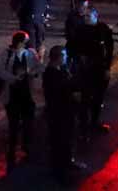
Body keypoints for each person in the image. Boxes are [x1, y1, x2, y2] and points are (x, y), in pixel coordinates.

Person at [68, 0, 115, 137]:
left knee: (98, 97)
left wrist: (107, 67)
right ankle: (84, 125)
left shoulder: (103, 30)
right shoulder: (80, 30)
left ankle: (94, 121)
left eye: (89, 16)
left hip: (99, 68)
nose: (86, 19)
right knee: (85, 97)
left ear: (95, 16)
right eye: (85, 16)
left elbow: (109, 50)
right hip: (84, 69)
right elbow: (72, 47)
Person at [0, 30, 41, 166]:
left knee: (29, 121)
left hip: (27, 94)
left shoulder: (30, 54)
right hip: (12, 95)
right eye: (25, 41)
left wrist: (30, 73)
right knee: (14, 124)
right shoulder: (6, 54)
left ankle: (26, 146)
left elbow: (38, 68)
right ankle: (12, 149)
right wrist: (14, 78)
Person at [42, 45, 80, 178]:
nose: (67, 58)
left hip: (67, 112)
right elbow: (58, 94)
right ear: (59, 57)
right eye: (65, 56)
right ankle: (59, 170)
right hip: (58, 114)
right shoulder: (51, 74)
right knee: (59, 141)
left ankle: (68, 161)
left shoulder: (63, 70)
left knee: (68, 138)